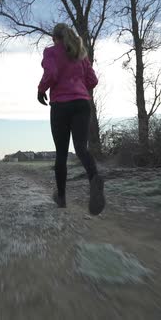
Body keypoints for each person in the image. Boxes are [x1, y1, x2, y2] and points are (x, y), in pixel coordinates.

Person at [37, 23, 105, 215]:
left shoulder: (51, 52)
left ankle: (61, 198)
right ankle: (94, 178)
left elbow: (51, 73)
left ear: (54, 38)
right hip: (82, 104)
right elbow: (93, 81)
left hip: (61, 106)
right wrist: (78, 85)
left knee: (61, 153)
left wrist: (41, 89)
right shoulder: (80, 54)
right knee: (81, 148)